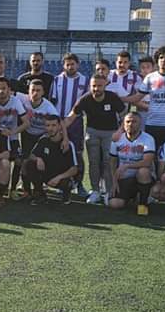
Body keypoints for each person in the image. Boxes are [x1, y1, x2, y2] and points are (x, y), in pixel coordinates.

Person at [64, 72, 126, 205]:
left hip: (110, 133)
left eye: (99, 86)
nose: (96, 89)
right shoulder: (85, 99)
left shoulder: (112, 97)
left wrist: (120, 131)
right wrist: (60, 129)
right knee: (93, 162)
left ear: (105, 85)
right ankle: (95, 191)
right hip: (92, 132)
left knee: (108, 162)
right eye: (93, 86)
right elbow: (70, 117)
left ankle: (108, 191)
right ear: (90, 86)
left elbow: (124, 116)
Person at [50, 53, 91, 197]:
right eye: (67, 64)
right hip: (59, 121)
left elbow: (87, 102)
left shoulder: (85, 81)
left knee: (78, 153)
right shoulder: (57, 80)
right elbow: (53, 101)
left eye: (72, 64)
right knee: (60, 152)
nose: (70, 67)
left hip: (76, 123)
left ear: (78, 65)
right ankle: (63, 184)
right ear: (63, 65)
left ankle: (79, 185)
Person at [0, 77, 31, 199]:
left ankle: (12, 189)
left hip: (11, 137)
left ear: (9, 89)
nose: (1, 91)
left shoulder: (15, 101)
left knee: (18, 160)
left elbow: (26, 123)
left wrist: (12, 132)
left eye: (4, 88)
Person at [23, 114, 79, 206]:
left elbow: (74, 169)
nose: (50, 128)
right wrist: (38, 158)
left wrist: (59, 177)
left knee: (66, 182)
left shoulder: (68, 144)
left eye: (53, 125)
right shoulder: (43, 140)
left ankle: (66, 196)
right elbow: (31, 155)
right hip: (47, 173)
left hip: (61, 176)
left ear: (59, 126)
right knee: (29, 164)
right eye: (48, 125)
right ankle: (40, 194)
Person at [107, 112, 156, 215]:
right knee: (114, 204)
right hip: (124, 178)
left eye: (134, 122)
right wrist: (114, 181)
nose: (130, 124)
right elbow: (112, 162)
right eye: (128, 121)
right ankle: (133, 196)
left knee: (143, 171)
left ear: (140, 124)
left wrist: (127, 166)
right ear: (124, 124)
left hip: (142, 177)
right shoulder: (117, 139)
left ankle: (143, 205)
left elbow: (147, 162)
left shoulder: (148, 138)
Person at [20, 79, 58, 198]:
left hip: (42, 136)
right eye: (32, 90)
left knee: (40, 162)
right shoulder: (22, 98)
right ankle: (26, 189)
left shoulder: (49, 107)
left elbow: (59, 123)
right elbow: (8, 93)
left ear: (43, 92)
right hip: (27, 134)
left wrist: (65, 139)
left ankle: (38, 188)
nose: (35, 93)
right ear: (28, 91)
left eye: (38, 90)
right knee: (24, 161)